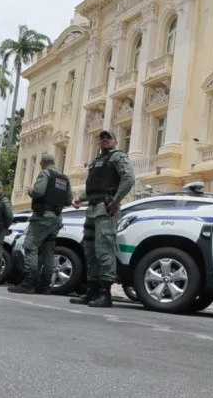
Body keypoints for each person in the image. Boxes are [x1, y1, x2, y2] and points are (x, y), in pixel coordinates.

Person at [70, 130, 134, 307]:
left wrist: (115, 201)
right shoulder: (97, 161)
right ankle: (92, 291)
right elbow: (94, 187)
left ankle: (105, 294)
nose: (105, 140)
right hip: (92, 208)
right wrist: (80, 198)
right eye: (102, 138)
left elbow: (128, 179)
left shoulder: (118, 157)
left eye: (108, 137)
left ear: (115, 140)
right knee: (90, 250)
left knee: (104, 249)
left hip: (106, 209)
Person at [9, 153, 72, 294]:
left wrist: (30, 189)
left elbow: (38, 192)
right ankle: (45, 285)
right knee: (49, 251)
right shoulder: (64, 178)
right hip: (56, 218)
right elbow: (68, 200)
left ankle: (29, 282)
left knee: (30, 246)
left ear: (42, 163)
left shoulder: (45, 173)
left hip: (42, 217)